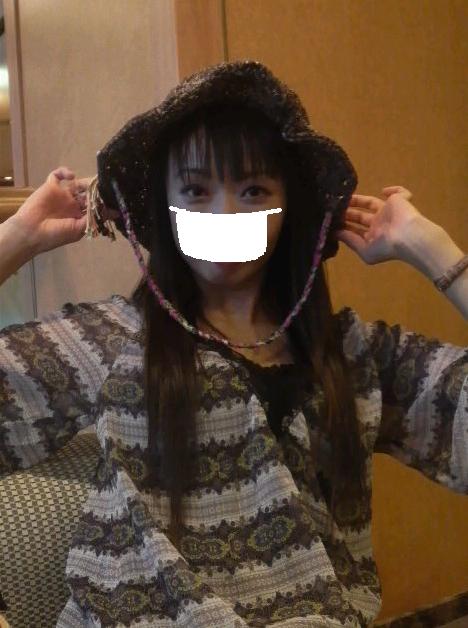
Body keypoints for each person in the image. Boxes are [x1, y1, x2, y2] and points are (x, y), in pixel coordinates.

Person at [0, 60, 467, 628]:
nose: (224, 215)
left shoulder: (351, 355)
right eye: (196, 191)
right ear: (167, 208)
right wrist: (18, 238)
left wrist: (435, 252)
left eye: (252, 191)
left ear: (288, 205)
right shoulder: (112, 342)